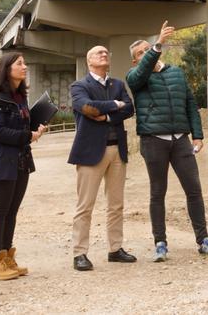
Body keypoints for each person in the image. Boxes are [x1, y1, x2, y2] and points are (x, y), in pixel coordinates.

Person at [127, 21, 208, 260]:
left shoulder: (177, 73)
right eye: (141, 52)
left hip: (180, 139)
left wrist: (198, 135)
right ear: (135, 60)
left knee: (194, 190)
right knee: (158, 192)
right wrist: (157, 45)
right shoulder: (135, 77)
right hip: (153, 140)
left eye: (148, 49)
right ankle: (160, 242)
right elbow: (139, 75)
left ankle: (203, 240)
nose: (147, 53)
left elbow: (190, 104)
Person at [0, 52, 48, 280]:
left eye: (25, 62)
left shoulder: (19, 98)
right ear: (7, 69)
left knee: (12, 211)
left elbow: (19, 125)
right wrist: (28, 135)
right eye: (19, 64)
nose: (24, 67)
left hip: (21, 160)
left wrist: (36, 129)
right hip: (2, 161)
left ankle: (7, 258)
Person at [69, 45, 136, 271]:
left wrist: (107, 114)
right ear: (89, 61)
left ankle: (115, 249)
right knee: (85, 205)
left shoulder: (117, 84)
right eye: (99, 53)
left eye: (107, 52)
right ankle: (80, 253)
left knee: (116, 204)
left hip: (118, 150)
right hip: (90, 152)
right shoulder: (79, 86)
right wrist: (115, 105)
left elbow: (129, 109)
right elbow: (86, 108)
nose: (104, 54)